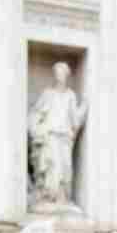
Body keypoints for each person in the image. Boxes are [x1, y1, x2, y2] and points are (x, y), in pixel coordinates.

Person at [28, 62, 88, 208]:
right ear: (55, 75)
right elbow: (35, 113)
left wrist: (84, 107)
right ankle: (48, 198)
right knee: (51, 168)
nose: (60, 76)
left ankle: (62, 198)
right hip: (50, 137)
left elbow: (75, 120)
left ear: (66, 76)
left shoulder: (70, 96)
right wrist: (37, 129)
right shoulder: (48, 94)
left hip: (65, 138)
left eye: (62, 73)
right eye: (57, 73)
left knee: (65, 168)